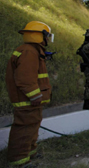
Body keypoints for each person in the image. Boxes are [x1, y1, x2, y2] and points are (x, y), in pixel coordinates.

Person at [5, 21, 54, 167]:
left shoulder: (33, 51)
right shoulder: (29, 52)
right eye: (47, 36)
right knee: (24, 129)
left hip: (31, 101)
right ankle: (19, 161)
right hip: (27, 100)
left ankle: (30, 153)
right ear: (41, 36)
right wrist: (35, 96)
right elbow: (25, 79)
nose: (48, 40)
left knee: (32, 126)